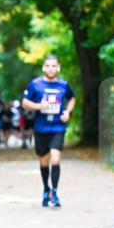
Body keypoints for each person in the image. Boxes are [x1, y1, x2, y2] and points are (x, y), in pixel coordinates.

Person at [22, 55, 75, 208]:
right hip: (41, 128)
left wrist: (67, 112)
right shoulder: (35, 84)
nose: (51, 69)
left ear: (58, 68)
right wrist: (39, 106)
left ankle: (55, 193)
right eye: (48, 66)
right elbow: (25, 102)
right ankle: (46, 189)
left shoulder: (63, 85)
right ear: (44, 68)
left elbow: (72, 98)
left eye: (53, 66)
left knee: (55, 159)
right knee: (44, 162)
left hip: (58, 127)